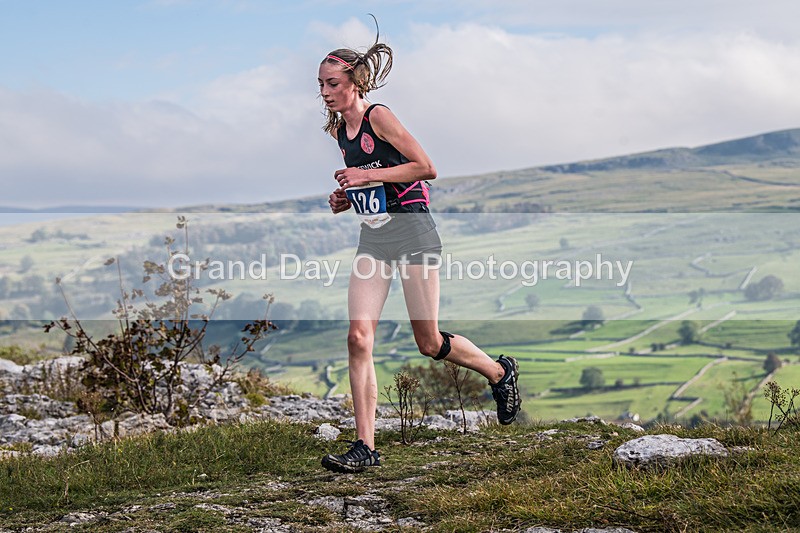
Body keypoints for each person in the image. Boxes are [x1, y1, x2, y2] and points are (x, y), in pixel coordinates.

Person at [317, 32, 521, 474]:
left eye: (333, 83)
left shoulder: (379, 116)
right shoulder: (339, 131)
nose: (325, 92)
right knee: (358, 337)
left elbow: (425, 168)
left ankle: (499, 373)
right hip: (375, 238)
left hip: (413, 234)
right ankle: (365, 448)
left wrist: (363, 175)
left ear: (355, 81)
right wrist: (346, 196)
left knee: (428, 343)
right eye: (321, 84)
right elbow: (371, 182)